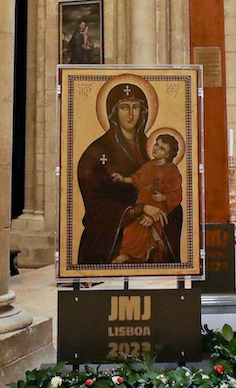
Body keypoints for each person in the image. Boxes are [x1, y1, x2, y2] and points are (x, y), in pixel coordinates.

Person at [75, 82, 183, 264]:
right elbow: (96, 205)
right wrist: (138, 210)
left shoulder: (150, 148)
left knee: (175, 211)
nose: (131, 115)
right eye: (124, 108)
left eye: (136, 107)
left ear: (144, 111)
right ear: (114, 112)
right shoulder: (95, 152)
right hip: (113, 224)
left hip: (152, 211)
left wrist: (159, 204)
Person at [109, 134, 182, 263]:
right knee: (130, 229)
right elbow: (137, 179)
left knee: (142, 229)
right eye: (156, 145)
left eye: (161, 149)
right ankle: (129, 254)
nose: (156, 149)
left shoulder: (172, 171)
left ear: (167, 154)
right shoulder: (149, 166)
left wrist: (164, 197)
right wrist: (123, 179)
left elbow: (177, 194)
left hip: (161, 208)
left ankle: (130, 254)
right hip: (144, 204)